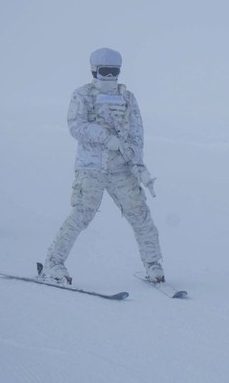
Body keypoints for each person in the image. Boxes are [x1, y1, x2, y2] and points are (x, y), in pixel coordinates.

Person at [39, 47, 165, 285]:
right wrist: (106, 138)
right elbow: (76, 126)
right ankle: (53, 263)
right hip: (91, 168)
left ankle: (153, 265)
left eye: (114, 72)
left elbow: (137, 133)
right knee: (81, 215)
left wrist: (138, 164)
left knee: (140, 216)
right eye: (105, 72)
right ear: (94, 71)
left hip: (122, 169)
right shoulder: (82, 95)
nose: (109, 78)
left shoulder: (128, 98)